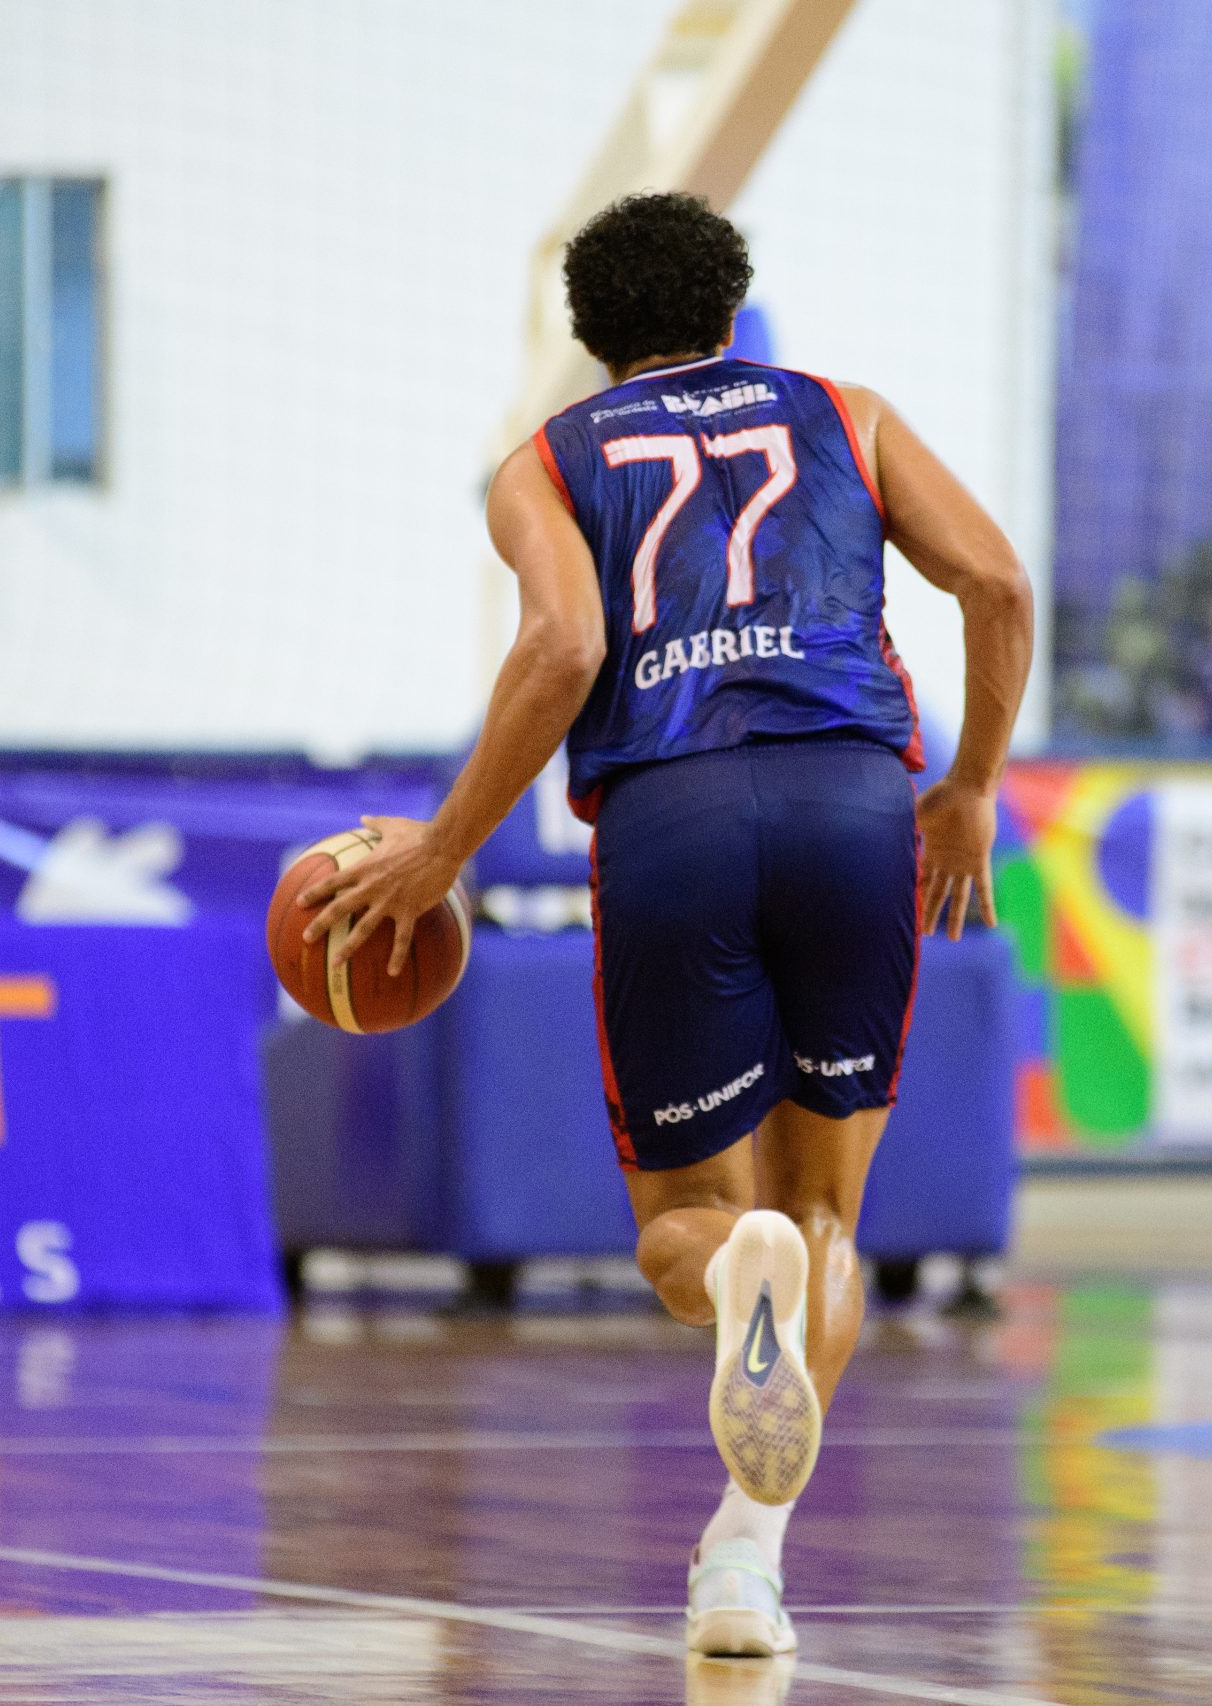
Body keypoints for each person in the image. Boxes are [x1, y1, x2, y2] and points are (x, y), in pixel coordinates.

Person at [297, 191, 1033, 1655]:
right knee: (827, 1220)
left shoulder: (545, 459)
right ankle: (743, 1561)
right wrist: (971, 788)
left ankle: (730, 1277)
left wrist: (445, 848)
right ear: (731, 309)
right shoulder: (850, 412)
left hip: (673, 818)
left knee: (685, 1227)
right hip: (851, 803)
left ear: (589, 339)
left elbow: (565, 644)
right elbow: (998, 583)